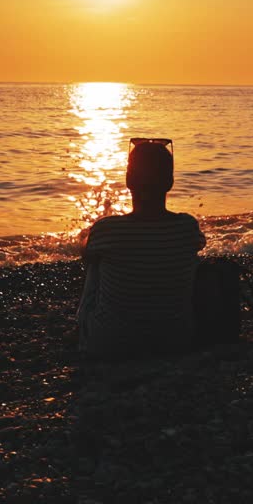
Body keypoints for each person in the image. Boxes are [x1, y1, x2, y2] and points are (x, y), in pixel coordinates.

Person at [77, 139, 206, 359]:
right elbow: (197, 245)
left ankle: (83, 327)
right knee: (192, 262)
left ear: (129, 180)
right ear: (170, 182)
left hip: (109, 344)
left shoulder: (107, 228)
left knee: (95, 262)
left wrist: (85, 240)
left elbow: (86, 255)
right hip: (176, 342)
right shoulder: (187, 226)